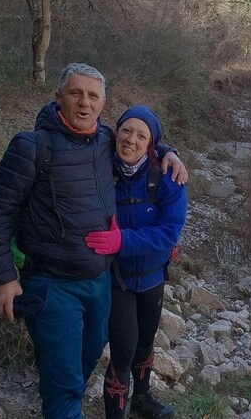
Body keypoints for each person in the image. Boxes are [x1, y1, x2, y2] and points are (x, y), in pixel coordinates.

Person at [0, 64, 187, 419]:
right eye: (76, 93)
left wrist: (168, 151)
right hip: (52, 285)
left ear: (104, 103)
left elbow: (138, 139)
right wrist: (3, 276)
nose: (84, 103)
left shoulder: (105, 141)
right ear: (58, 97)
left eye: (93, 96)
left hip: (99, 283)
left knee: (85, 364)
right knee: (64, 385)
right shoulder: (31, 147)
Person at [86, 106, 186, 419]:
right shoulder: (100, 167)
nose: (131, 139)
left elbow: (169, 232)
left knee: (145, 344)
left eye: (141, 135)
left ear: (151, 144)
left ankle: (141, 400)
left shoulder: (168, 177)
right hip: (118, 279)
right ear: (116, 133)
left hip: (153, 277)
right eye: (126, 131)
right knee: (123, 352)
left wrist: (123, 241)